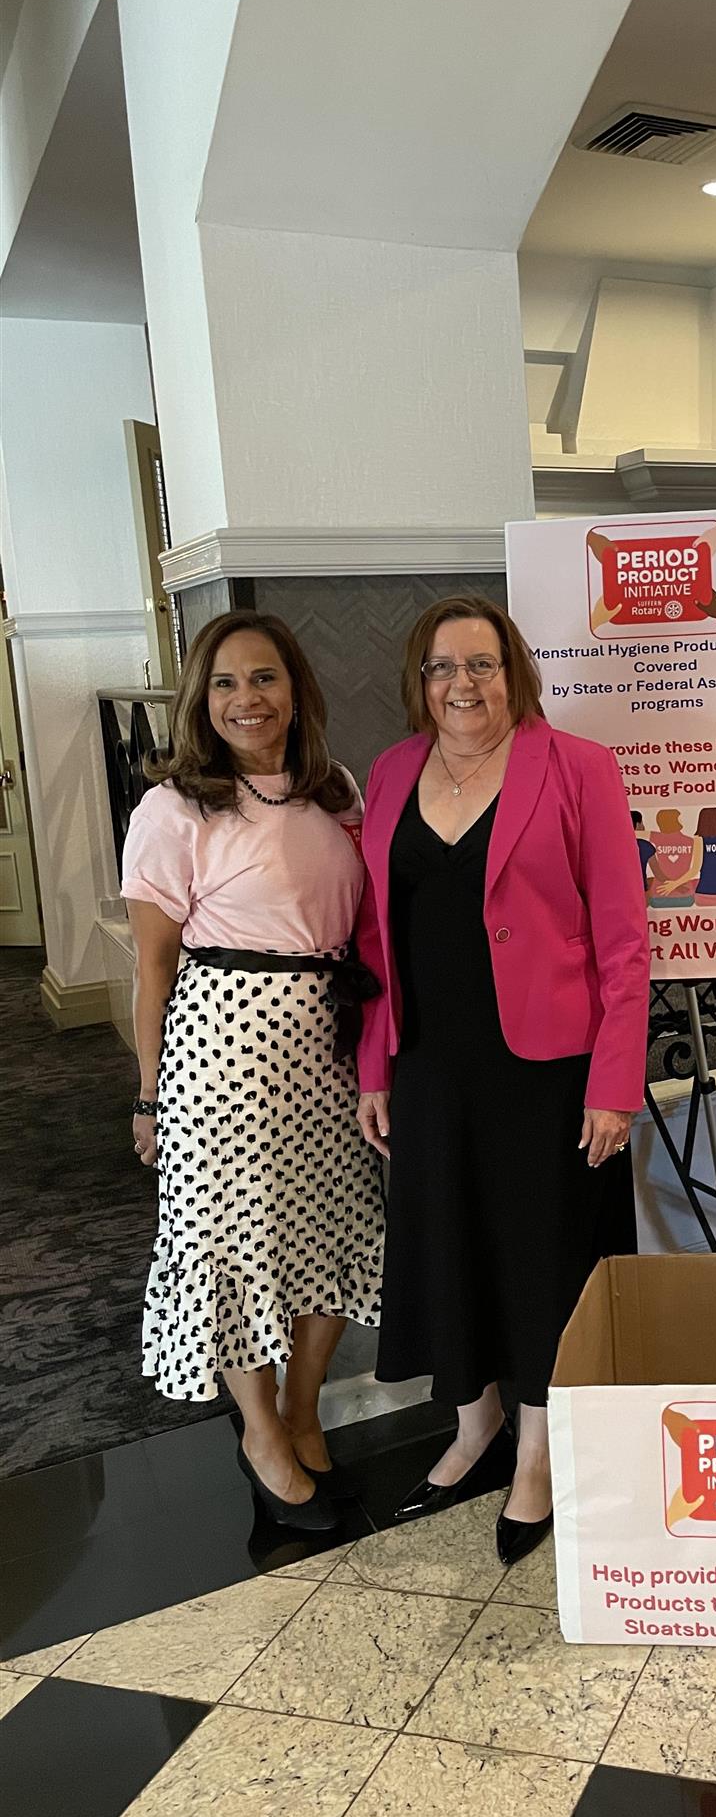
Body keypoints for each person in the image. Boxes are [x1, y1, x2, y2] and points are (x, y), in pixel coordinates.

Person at [354, 595, 649, 1566]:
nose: (462, 684)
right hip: (429, 1063)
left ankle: (536, 1454)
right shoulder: (392, 772)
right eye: (442, 667)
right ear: (421, 681)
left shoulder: (577, 766)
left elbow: (623, 939)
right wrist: (375, 1063)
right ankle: (474, 1423)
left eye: (481, 664)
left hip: (548, 1068)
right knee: (447, 1244)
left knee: (540, 1258)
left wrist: (614, 1083)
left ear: (513, 672)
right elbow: (373, 940)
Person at [121, 612, 384, 1533]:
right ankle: (262, 1434)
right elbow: (154, 968)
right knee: (236, 1247)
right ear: (201, 700)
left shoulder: (334, 789)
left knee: (334, 1229)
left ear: (295, 691)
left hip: (330, 1042)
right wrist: (149, 1098)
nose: (247, 699)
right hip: (224, 1049)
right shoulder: (175, 808)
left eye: (264, 678)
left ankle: (303, 1408)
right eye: (226, 683)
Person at [647, 808, 700, 906]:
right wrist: (675, 884)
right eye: (679, 818)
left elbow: (633, 833)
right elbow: (694, 870)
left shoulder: (655, 836)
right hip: (686, 897)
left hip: (658, 897)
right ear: (675, 820)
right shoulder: (691, 841)